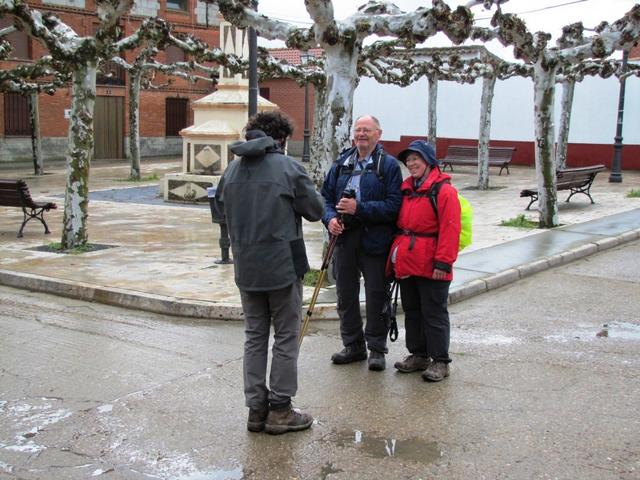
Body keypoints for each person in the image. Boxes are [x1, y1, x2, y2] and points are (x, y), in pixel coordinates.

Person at [214, 111, 324, 434]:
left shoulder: (231, 171)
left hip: (246, 268)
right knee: (286, 337)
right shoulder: (289, 168)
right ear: (281, 139)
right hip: (283, 268)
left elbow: (221, 209)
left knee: (254, 337)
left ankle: (256, 409)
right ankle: (280, 410)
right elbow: (315, 211)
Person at [321, 115, 402, 371]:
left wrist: (359, 208)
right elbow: (324, 198)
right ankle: (353, 345)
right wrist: (330, 219)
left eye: (367, 130)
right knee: (345, 294)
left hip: (375, 239)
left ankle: (377, 348)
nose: (361, 135)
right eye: (358, 130)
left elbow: (394, 207)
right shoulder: (342, 163)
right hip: (344, 238)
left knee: (376, 295)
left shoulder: (387, 166)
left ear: (379, 134)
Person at [387, 140, 461, 382]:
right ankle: (419, 355)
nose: (411, 163)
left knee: (434, 312)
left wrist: (443, 263)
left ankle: (440, 360)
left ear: (429, 161)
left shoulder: (444, 191)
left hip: (432, 263)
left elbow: (450, 229)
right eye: (408, 160)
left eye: (416, 159)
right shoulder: (407, 188)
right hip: (409, 260)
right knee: (412, 310)